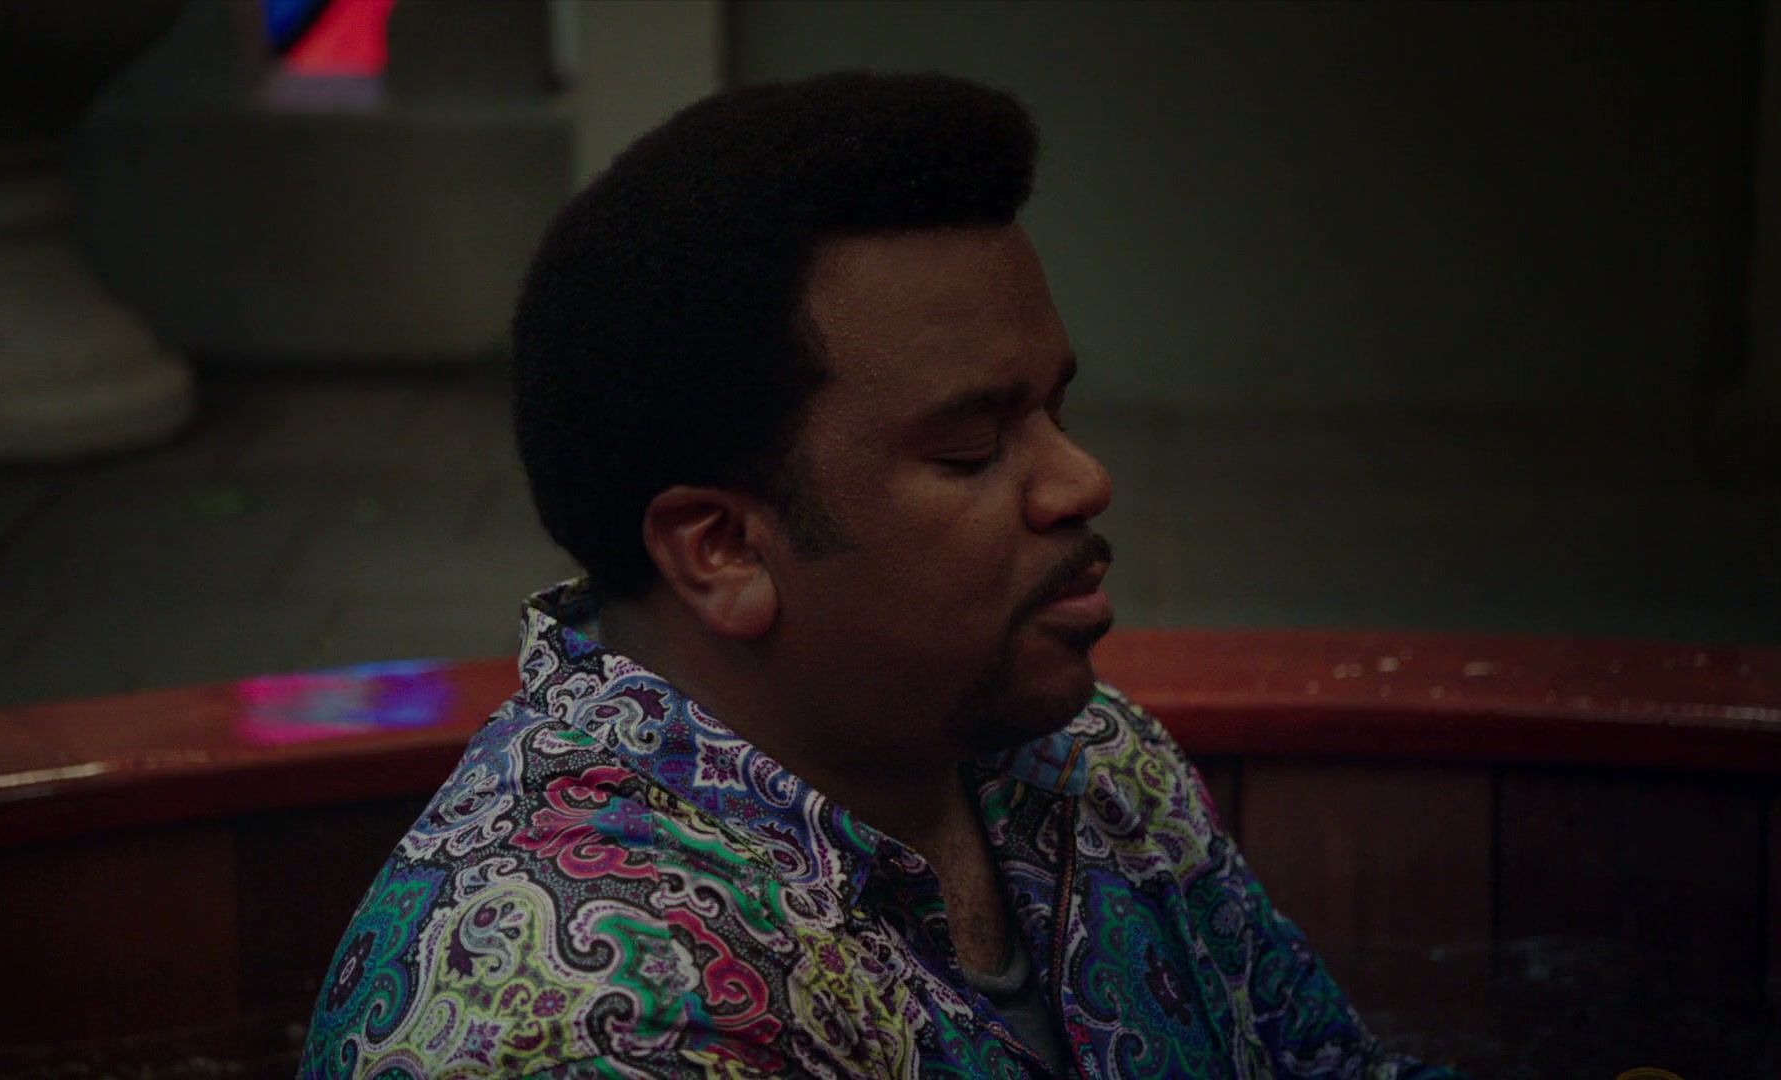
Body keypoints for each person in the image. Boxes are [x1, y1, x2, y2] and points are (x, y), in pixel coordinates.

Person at [299, 71, 1462, 1080]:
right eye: (972, 449)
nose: (1082, 480)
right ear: (723, 549)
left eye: (1057, 413)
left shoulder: (1091, 764)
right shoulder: (590, 1018)